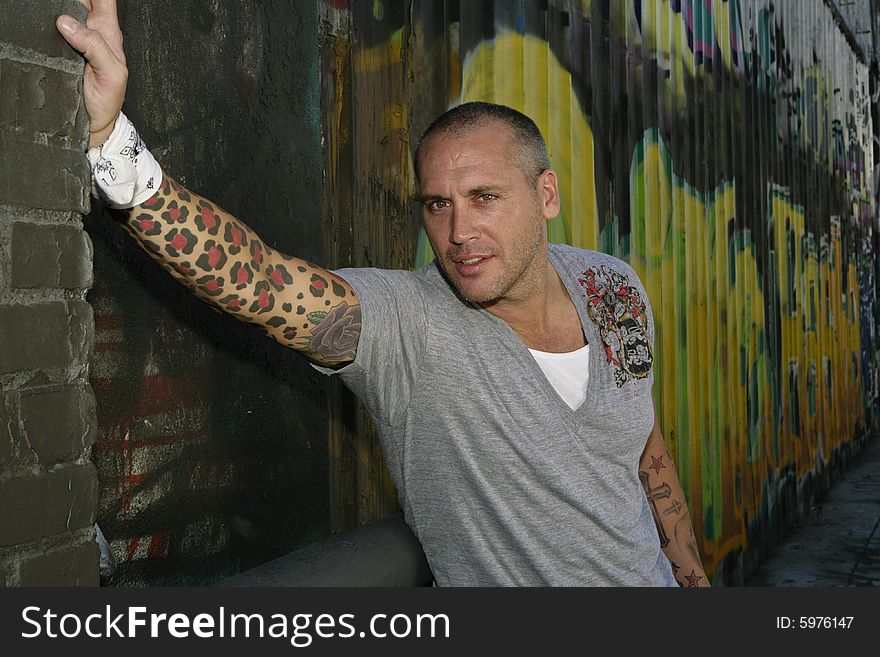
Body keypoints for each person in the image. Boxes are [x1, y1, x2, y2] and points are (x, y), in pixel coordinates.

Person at [56, 0, 709, 586]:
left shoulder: (611, 287)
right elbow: (253, 278)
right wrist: (111, 145)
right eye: (437, 204)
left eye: (485, 198)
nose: (458, 232)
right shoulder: (409, 326)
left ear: (546, 195)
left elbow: (643, 446)